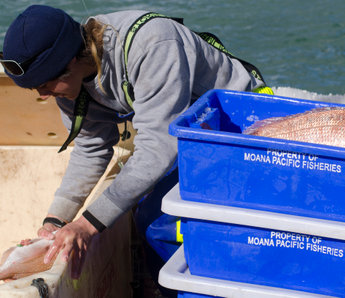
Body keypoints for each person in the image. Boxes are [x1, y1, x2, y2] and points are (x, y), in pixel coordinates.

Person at [0, 5, 271, 279]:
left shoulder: (152, 44)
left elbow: (158, 147)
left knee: (157, 223)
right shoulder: (71, 86)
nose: (42, 95)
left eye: (44, 85)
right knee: (138, 206)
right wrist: (55, 221)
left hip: (241, 129)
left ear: (69, 62)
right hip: (183, 139)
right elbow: (91, 149)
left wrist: (87, 225)